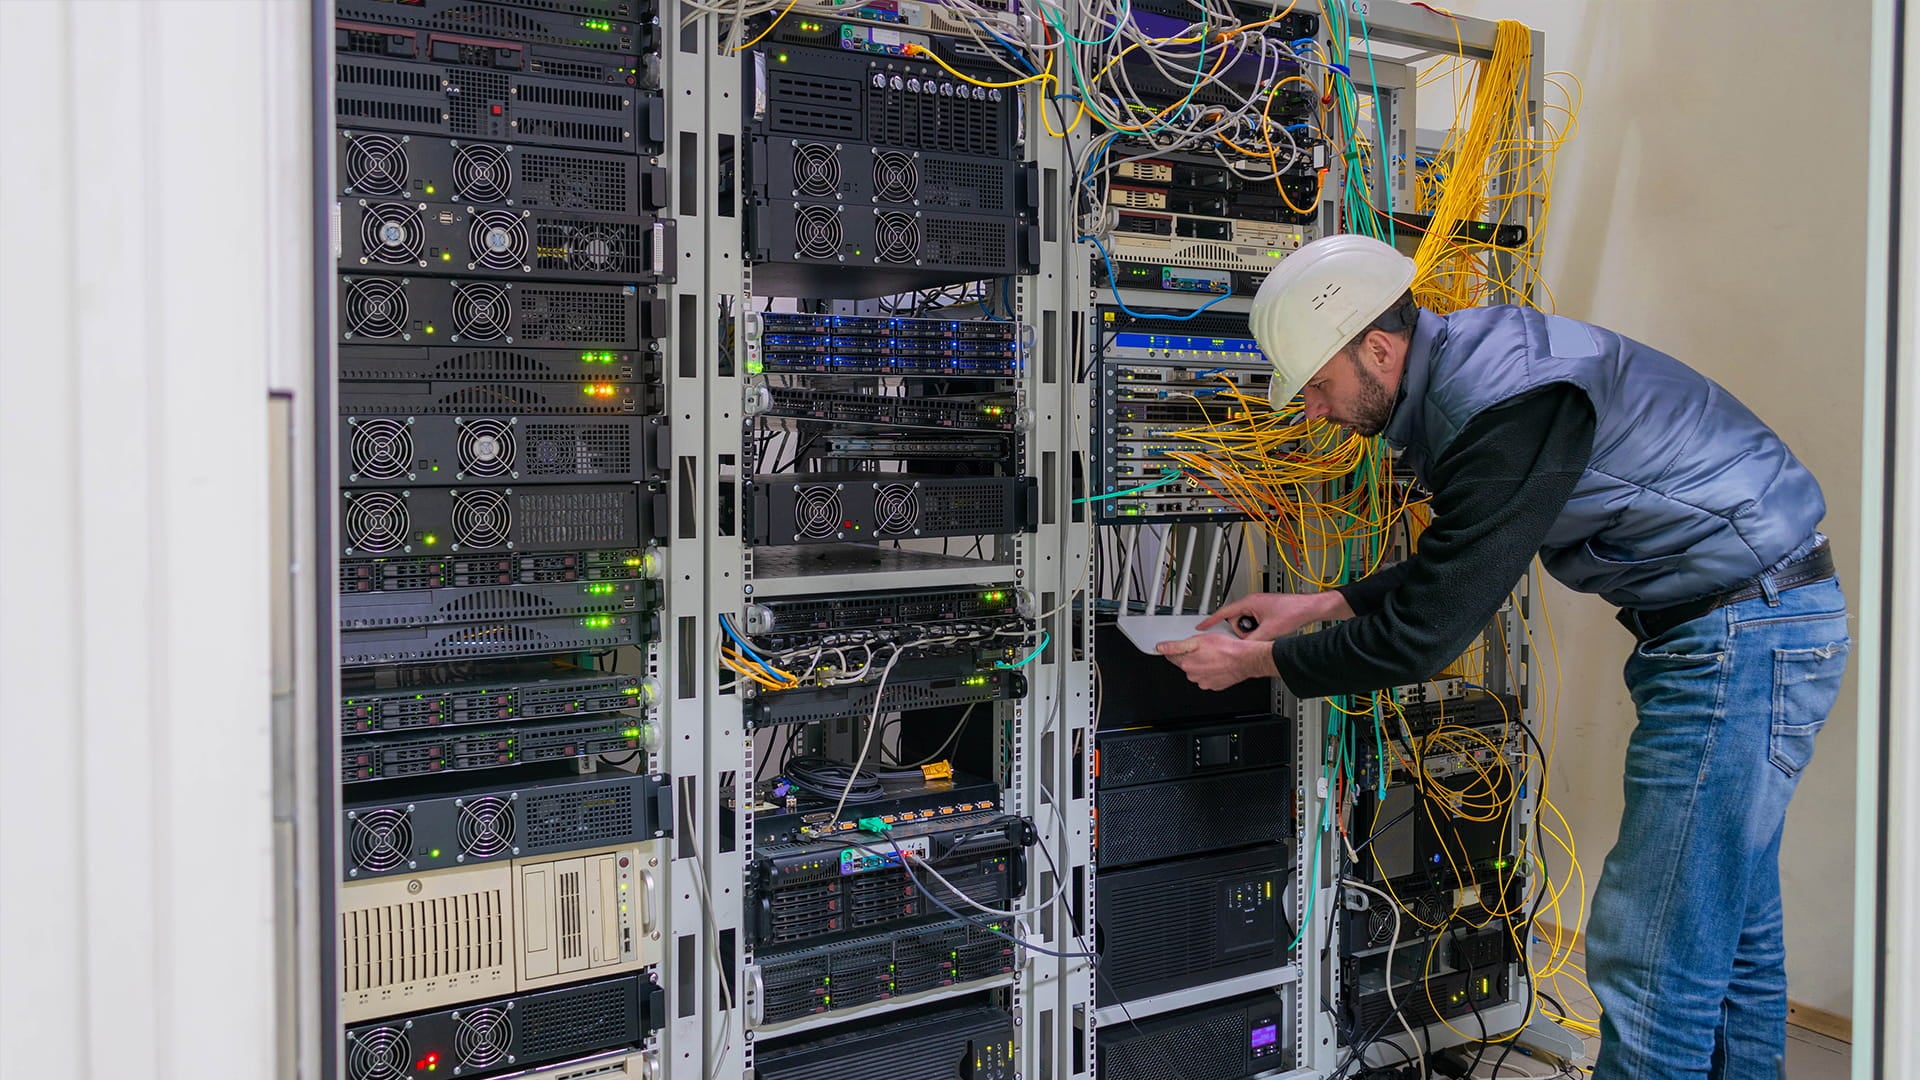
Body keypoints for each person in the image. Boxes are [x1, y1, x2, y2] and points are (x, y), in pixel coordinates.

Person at [1155, 233, 1850, 1080]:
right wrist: (1319, 603)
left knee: (1652, 957)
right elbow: (1472, 550)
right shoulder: (1482, 374)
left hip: (1741, 638)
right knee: (1730, 938)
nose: (1314, 410)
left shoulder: (1503, 401)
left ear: (1378, 347)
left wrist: (1260, 664)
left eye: (1320, 385)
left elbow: (1426, 633)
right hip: (1754, 624)